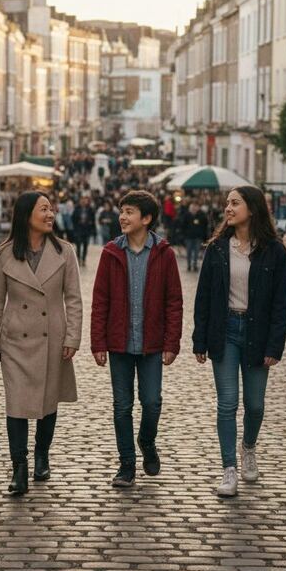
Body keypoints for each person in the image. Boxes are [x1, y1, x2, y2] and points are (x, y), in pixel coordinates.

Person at [192, 186, 286, 498]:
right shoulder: (218, 248)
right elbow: (203, 296)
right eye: (227, 204)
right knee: (227, 403)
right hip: (225, 331)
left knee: (256, 405)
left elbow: (281, 303)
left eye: (235, 203)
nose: (228, 209)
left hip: (257, 333)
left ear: (252, 208)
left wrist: (275, 346)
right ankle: (229, 469)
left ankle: (248, 446)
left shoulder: (274, 251)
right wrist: (199, 339)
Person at [0, 191, 82, 497]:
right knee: (16, 404)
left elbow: (74, 300)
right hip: (16, 338)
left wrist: (72, 337)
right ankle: (19, 467)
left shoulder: (65, 252)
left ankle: (42, 454)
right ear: (26, 214)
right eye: (43, 209)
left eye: (51, 209)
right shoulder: (4, 254)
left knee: (47, 401)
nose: (50, 214)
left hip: (52, 337)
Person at [91, 190, 183, 488]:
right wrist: (98, 342)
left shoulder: (164, 254)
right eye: (121, 211)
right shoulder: (110, 253)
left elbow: (174, 301)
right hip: (119, 343)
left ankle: (147, 440)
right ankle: (127, 464)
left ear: (146, 218)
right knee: (122, 405)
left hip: (152, 343)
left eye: (129, 211)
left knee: (152, 401)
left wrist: (172, 342)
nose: (122, 216)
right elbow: (100, 300)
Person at [182, 200, 209, 273]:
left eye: (195, 207)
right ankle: (189, 265)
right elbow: (183, 225)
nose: (194, 208)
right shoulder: (187, 215)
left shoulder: (201, 215)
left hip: (198, 237)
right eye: (192, 207)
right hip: (189, 237)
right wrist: (184, 235)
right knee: (189, 252)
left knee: (196, 252)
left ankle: (195, 265)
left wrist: (203, 236)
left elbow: (205, 225)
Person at [71, 195, 97, 265]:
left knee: (85, 245)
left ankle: (83, 259)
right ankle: (78, 259)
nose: (83, 201)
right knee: (78, 245)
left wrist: (91, 226)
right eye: (82, 200)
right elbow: (73, 218)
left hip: (86, 229)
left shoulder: (90, 209)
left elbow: (93, 219)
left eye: (85, 200)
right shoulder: (77, 209)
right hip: (79, 229)